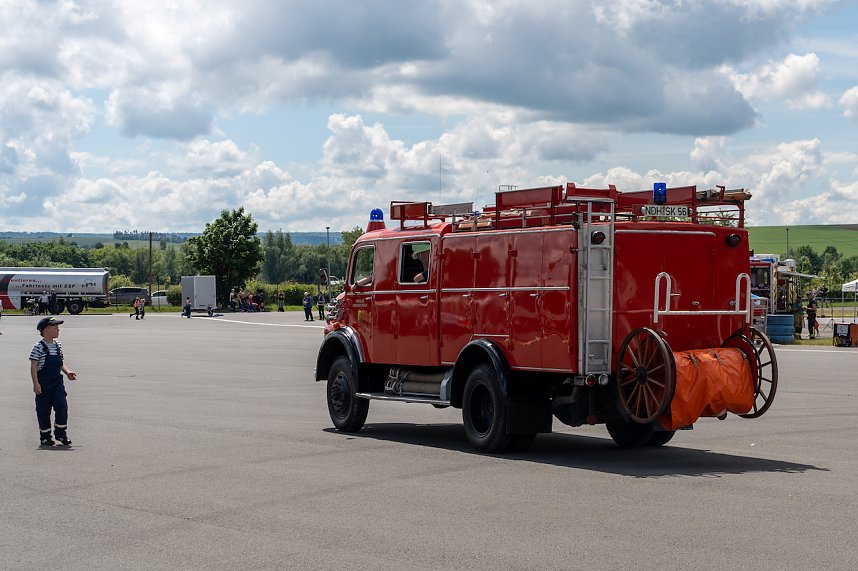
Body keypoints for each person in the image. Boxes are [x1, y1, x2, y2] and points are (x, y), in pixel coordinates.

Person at [30, 317, 77, 446]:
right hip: (43, 385)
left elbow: (60, 363)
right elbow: (34, 365)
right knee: (43, 411)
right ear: (46, 330)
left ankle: (61, 434)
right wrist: (36, 384)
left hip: (57, 384)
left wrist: (68, 372)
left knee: (62, 407)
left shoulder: (57, 346)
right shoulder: (38, 347)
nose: (58, 330)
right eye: (55, 328)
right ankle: (45, 436)